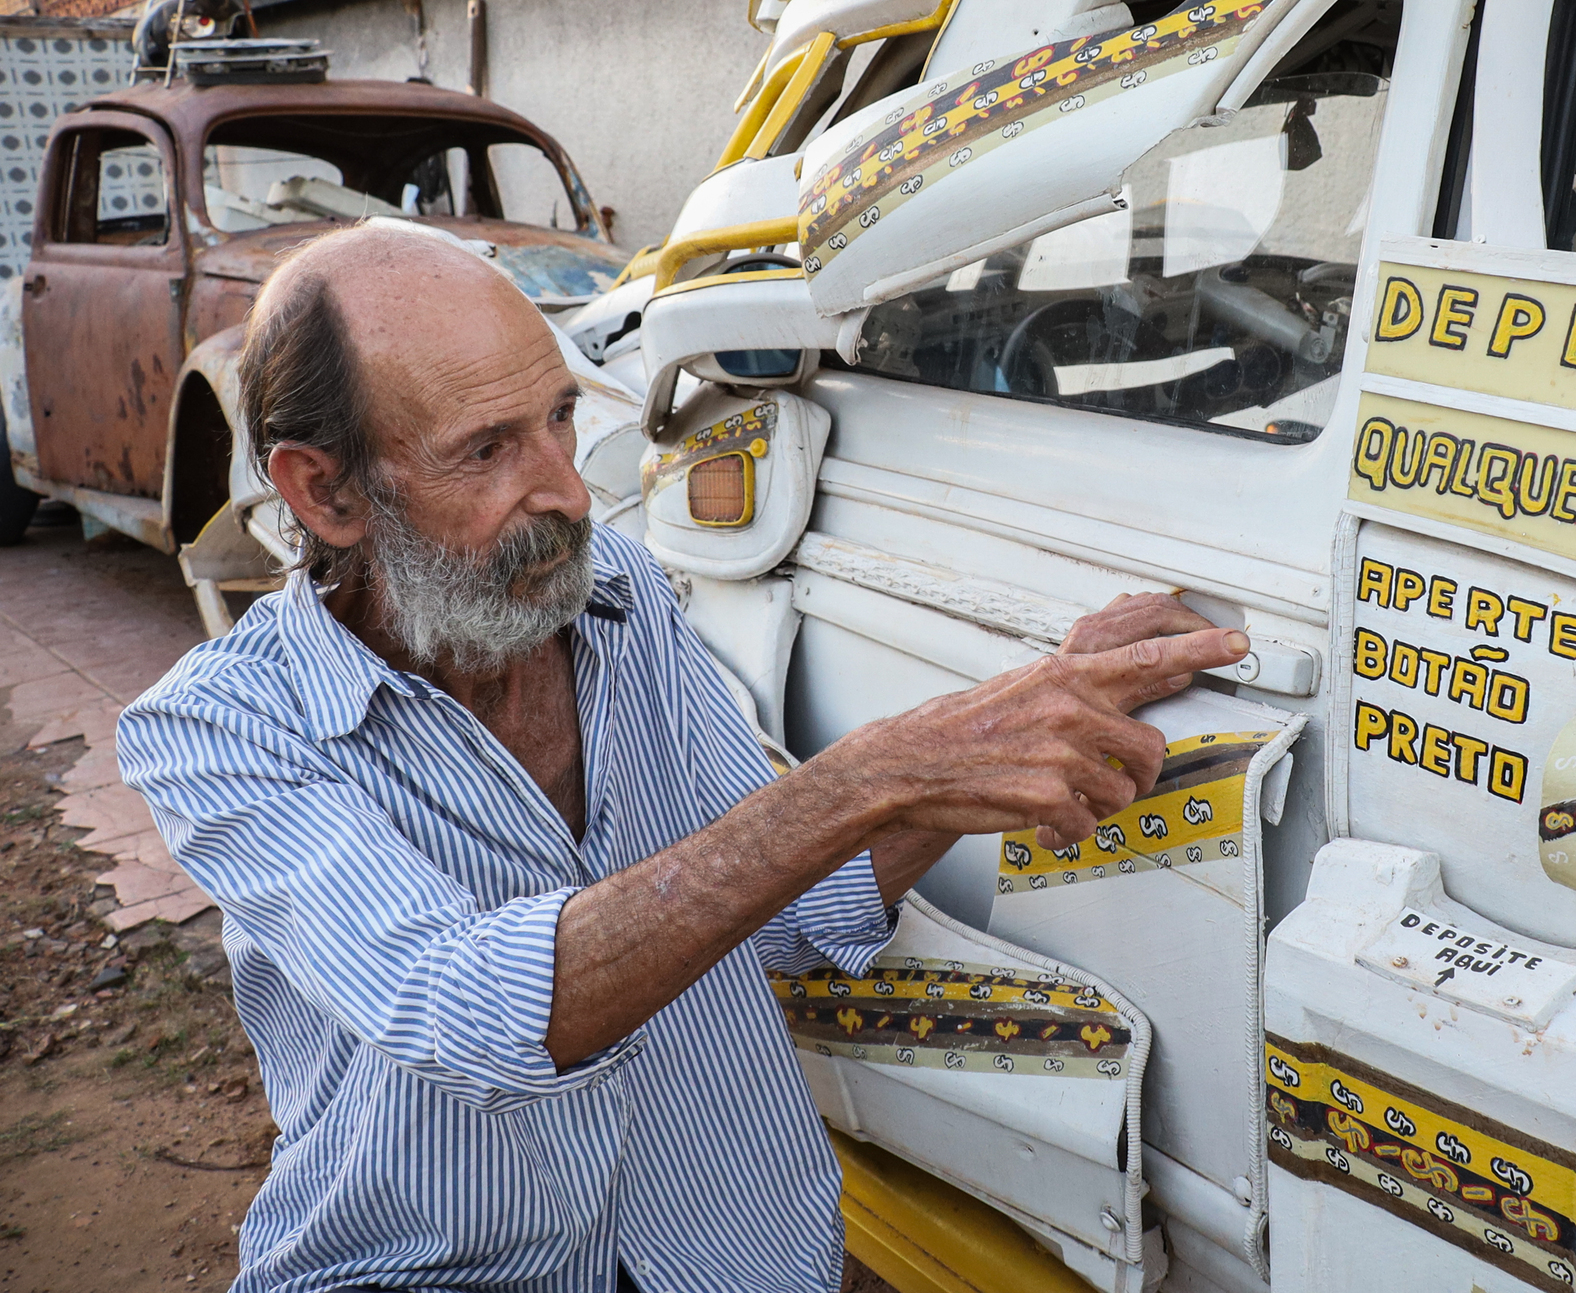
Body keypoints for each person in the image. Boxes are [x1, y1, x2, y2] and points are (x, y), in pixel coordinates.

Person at [115, 223, 1247, 1293]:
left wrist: (988, 741)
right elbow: (465, 1012)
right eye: (487, 450)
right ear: (326, 492)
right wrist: (878, 775)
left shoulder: (619, 599)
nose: (566, 491)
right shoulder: (220, 730)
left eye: (560, 418)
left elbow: (788, 909)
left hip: (733, 1252)